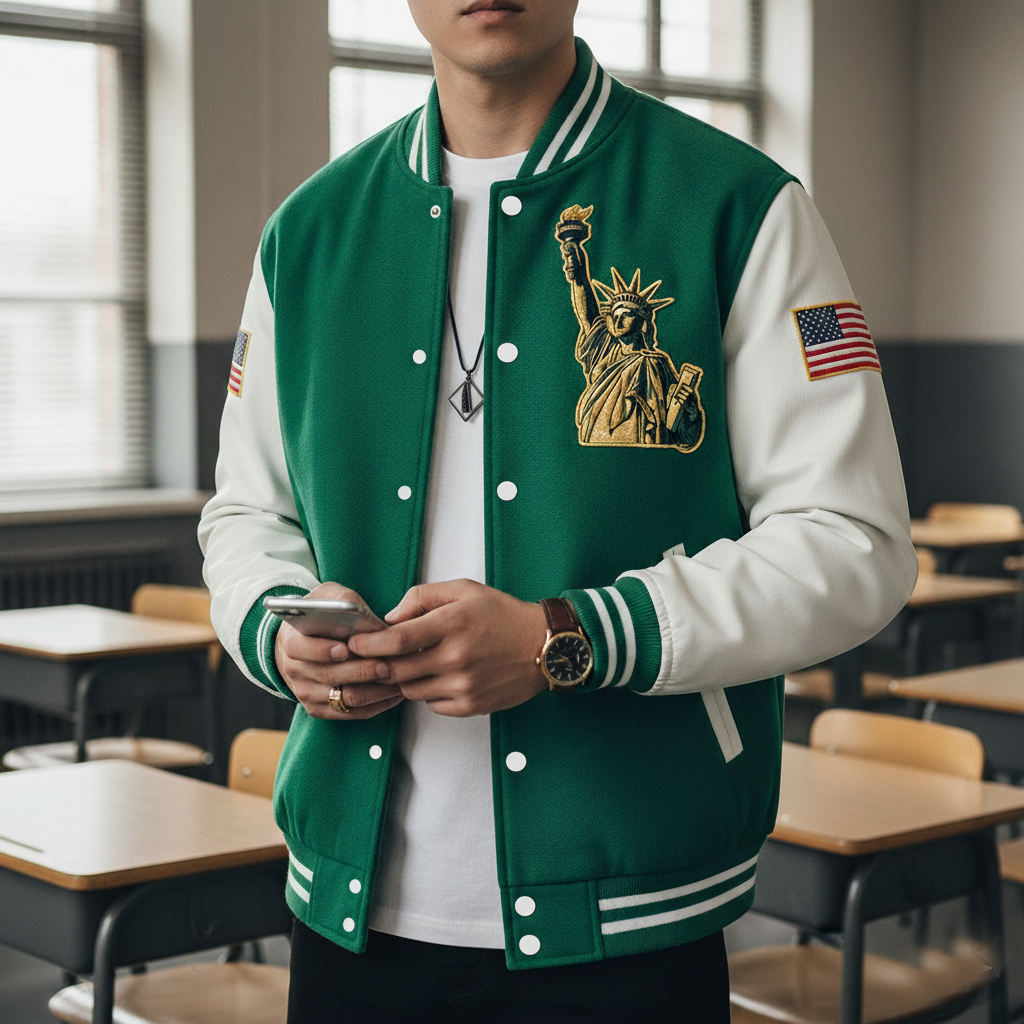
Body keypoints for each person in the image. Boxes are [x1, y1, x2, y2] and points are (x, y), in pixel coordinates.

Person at [199, 1, 917, 1020]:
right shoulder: (307, 236)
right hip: (349, 918)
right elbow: (244, 513)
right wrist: (278, 625)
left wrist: (564, 637)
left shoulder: (737, 205)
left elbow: (855, 544)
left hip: (628, 913)